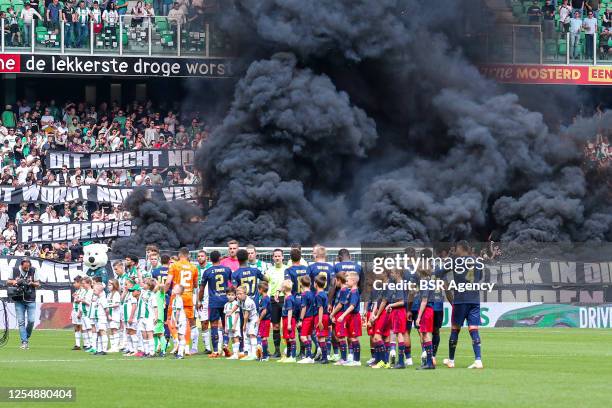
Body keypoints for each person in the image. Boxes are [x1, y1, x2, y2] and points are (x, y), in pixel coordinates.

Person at [442, 241, 484, 369]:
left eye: (456, 250)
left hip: (460, 300)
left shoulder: (456, 262)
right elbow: (479, 277)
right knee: (473, 329)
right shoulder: (477, 262)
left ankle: (451, 360)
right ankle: (478, 360)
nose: (455, 252)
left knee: (455, 329)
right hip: (474, 299)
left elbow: (440, 271)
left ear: (461, 249)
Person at [198, 250, 231, 358]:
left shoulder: (207, 271)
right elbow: (233, 285)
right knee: (226, 326)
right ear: (220, 258)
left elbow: (202, 288)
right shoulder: (227, 270)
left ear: (210, 259)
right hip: (226, 301)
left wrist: (199, 301)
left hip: (213, 302)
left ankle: (215, 351)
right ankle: (225, 345)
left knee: (214, 326)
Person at [165, 247, 198, 355]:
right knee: (187, 322)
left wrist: (164, 292)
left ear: (179, 255)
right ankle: (186, 347)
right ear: (188, 255)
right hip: (188, 295)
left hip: (177, 296)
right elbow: (196, 284)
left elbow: (168, 282)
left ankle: (177, 341)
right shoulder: (193, 267)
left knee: (170, 319)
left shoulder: (174, 265)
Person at [7, 258, 41, 349]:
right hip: (18, 299)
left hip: (30, 298)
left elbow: (38, 284)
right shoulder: (14, 270)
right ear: (22, 265)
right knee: (21, 322)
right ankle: (24, 341)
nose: (27, 268)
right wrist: (14, 281)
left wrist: (31, 283)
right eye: (25, 267)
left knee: (31, 321)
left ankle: (26, 336)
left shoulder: (33, 270)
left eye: (29, 266)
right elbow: (8, 281)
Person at [336, 272, 361, 367]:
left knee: (354, 338)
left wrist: (343, 315)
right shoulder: (351, 291)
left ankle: (357, 360)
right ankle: (353, 359)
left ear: (354, 281)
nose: (346, 282)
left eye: (348, 280)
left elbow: (352, 306)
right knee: (351, 337)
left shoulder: (354, 292)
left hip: (354, 317)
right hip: (350, 317)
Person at [267, 248, 286, 358]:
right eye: (276, 256)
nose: (277, 258)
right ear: (273, 258)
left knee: (288, 325)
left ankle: (289, 350)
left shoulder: (287, 269)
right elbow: (265, 282)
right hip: (274, 299)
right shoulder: (270, 270)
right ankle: (277, 351)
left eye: (279, 256)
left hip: (285, 299)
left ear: (283, 257)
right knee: (275, 326)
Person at [329, 272, 349, 366]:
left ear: (339, 280)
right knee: (338, 336)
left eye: (336, 280)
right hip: (338, 314)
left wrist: (332, 314)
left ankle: (344, 358)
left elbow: (340, 305)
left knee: (341, 337)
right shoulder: (341, 290)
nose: (335, 282)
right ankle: (343, 357)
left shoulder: (344, 290)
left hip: (340, 314)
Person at [297, 275, 316, 364]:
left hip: (307, 318)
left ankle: (308, 356)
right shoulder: (312, 293)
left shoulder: (304, 294)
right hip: (312, 317)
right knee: (308, 336)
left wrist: (300, 320)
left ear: (301, 284)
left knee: (303, 336)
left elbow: (304, 308)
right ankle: (310, 356)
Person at [236, 285, 258, 361]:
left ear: (245, 293)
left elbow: (246, 315)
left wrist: (244, 325)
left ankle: (254, 354)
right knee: (246, 337)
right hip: (248, 320)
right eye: (237, 294)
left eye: (240, 293)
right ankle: (248, 353)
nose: (238, 295)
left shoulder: (248, 302)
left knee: (252, 335)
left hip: (253, 320)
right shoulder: (240, 300)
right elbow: (236, 305)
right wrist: (230, 312)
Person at [194, 250, 210, 354]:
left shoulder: (210, 268)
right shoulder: (195, 269)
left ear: (206, 257)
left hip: (210, 299)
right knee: (201, 322)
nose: (200, 258)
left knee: (210, 323)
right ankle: (206, 347)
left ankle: (215, 347)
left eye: (202, 256)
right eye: (198, 256)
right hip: (198, 299)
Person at [278, 280, 296, 363]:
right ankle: (288, 356)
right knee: (287, 338)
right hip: (285, 319)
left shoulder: (289, 298)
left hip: (289, 319)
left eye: (281, 287)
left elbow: (290, 311)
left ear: (284, 289)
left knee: (292, 338)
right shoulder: (287, 297)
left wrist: (289, 323)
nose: (280, 289)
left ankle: (293, 356)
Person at [313, 275, 330, 364]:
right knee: (321, 337)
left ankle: (325, 358)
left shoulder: (318, 295)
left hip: (321, 317)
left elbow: (320, 308)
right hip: (324, 316)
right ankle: (324, 357)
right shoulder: (324, 293)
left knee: (321, 337)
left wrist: (319, 321)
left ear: (315, 284)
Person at [223, 286, 241, 359]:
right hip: (229, 325)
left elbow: (237, 315)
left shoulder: (236, 304)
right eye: (229, 295)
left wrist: (234, 325)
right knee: (232, 338)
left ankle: (236, 353)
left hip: (235, 324)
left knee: (236, 337)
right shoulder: (226, 305)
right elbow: (225, 316)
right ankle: (234, 353)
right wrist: (225, 326)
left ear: (235, 295)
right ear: (226, 295)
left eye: (232, 295)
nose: (230, 296)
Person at [170, 284, 187, 359]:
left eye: (175, 288)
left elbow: (178, 311)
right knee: (180, 336)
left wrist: (176, 321)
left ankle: (180, 354)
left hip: (181, 320)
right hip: (178, 320)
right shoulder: (175, 299)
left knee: (181, 336)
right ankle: (179, 353)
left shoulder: (178, 299)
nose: (173, 289)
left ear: (178, 291)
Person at [92, 282, 110, 355]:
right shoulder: (98, 298)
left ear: (100, 291)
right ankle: (99, 349)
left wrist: (107, 316)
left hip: (101, 318)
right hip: (97, 319)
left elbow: (107, 309)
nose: (93, 291)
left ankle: (104, 350)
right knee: (99, 333)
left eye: (94, 290)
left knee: (102, 332)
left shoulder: (103, 299)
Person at [256, 281, 272, 361]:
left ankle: (265, 356)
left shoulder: (265, 299)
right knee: (262, 337)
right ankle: (264, 354)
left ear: (261, 289)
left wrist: (259, 319)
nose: (258, 291)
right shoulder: (264, 298)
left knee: (264, 338)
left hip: (265, 321)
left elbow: (265, 311)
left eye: (258, 290)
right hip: (264, 321)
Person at [106, 279, 122, 353]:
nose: (108, 286)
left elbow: (117, 304)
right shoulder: (109, 294)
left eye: (110, 285)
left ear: (114, 285)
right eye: (108, 285)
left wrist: (109, 306)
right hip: (109, 315)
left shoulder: (116, 294)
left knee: (115, 330)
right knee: (111, 331)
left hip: (115, 315)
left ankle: (116, 347)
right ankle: (112, 346)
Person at [71, 276, 84, 350]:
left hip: (80, 311)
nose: (74, 284)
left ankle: (86, 344)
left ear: (79, 283)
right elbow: (75, 302)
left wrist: (77, 298)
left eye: (75, 282)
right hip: (75, 311)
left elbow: (82, 301)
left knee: (82, 327)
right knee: (76, 327)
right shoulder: (77, 291)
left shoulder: (83, 291)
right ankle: (77, 344)